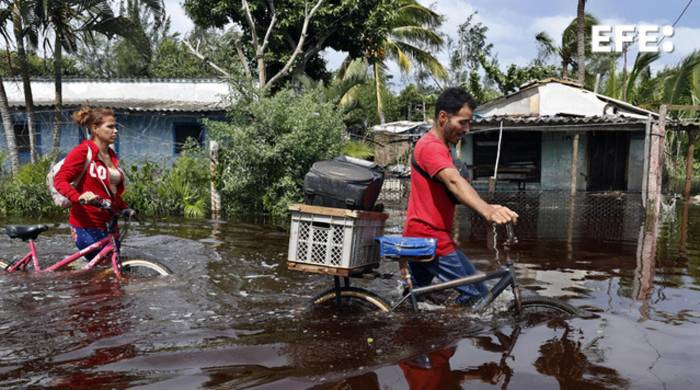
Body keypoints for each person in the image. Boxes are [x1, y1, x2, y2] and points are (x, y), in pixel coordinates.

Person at [404, 87, 519, 306]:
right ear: (443, 117)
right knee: (480, 296)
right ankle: (459, 335)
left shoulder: (439, 147)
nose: (467, 128)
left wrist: (490, 205)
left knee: (414, 301)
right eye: (462, 122)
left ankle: (410, 335)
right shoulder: (431, 148)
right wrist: (487, 211)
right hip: (431, 239)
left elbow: (455, 187)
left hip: (419, 236)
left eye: (469, 123)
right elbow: (455, 182)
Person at [54, 107, 129, 260]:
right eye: (110, 127)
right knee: (103, 270)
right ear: (95, 128)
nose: (115, 131)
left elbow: (110, 189)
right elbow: (60, 180)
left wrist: (124, 207)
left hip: (109, 224)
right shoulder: (83, 151)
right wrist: (79, 197)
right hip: (86, 225)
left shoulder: (112, 155)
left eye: (115, 127)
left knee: (112, 268)